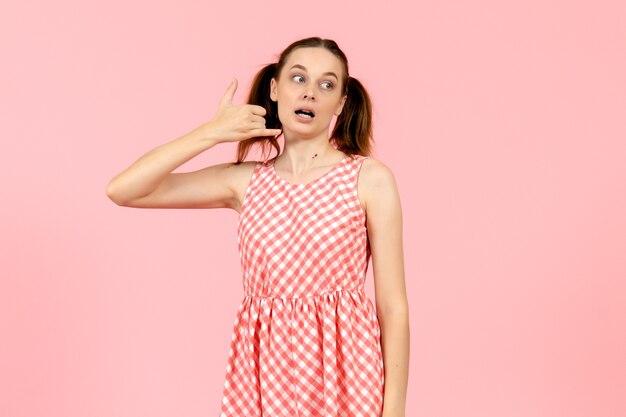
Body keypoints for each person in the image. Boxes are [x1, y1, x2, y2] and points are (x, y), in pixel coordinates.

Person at [106, 36, 409, 417]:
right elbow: (123, 190)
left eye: (326, 85)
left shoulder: (369, 178)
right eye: (298, 79)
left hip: (346, 373)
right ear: (275, 89)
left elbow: (393, 307)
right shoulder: (246, 182)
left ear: (341, 103)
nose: (311, 93)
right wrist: (211, 132)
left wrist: (394, 410)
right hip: (266, 375)